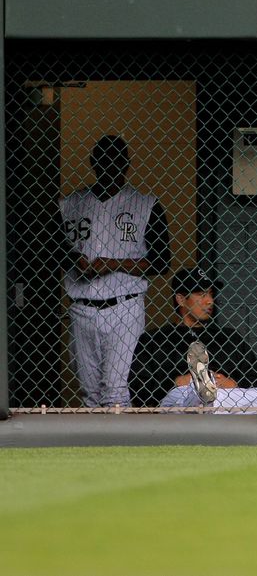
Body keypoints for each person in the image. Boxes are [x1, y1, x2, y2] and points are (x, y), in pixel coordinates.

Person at [59, 135, 171, 407]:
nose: (111, 167)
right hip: (82, 306)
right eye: (105, 161)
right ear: (93, 163)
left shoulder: (146, 204)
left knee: (117, 391)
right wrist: (77, 259)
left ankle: (118, 447)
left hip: (125, 307)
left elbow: (162, 261)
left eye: (117, 161)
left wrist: (114, 263)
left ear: (126, 165)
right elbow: (51, 251)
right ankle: (95, 448)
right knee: (90, 393)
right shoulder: (69, 205)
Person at [129, 269, 257, 413]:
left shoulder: (229, 338)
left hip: (229, 398)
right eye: (201, 294)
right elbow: (139, 389)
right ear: (181, 299)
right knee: (196, 397)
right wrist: (176, 382)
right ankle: (200, 385)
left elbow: (255, 382)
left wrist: (233, 384)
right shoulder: (155, 339)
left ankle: (206, 385)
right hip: (178, 399)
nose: (210, 301)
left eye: (211, 294)